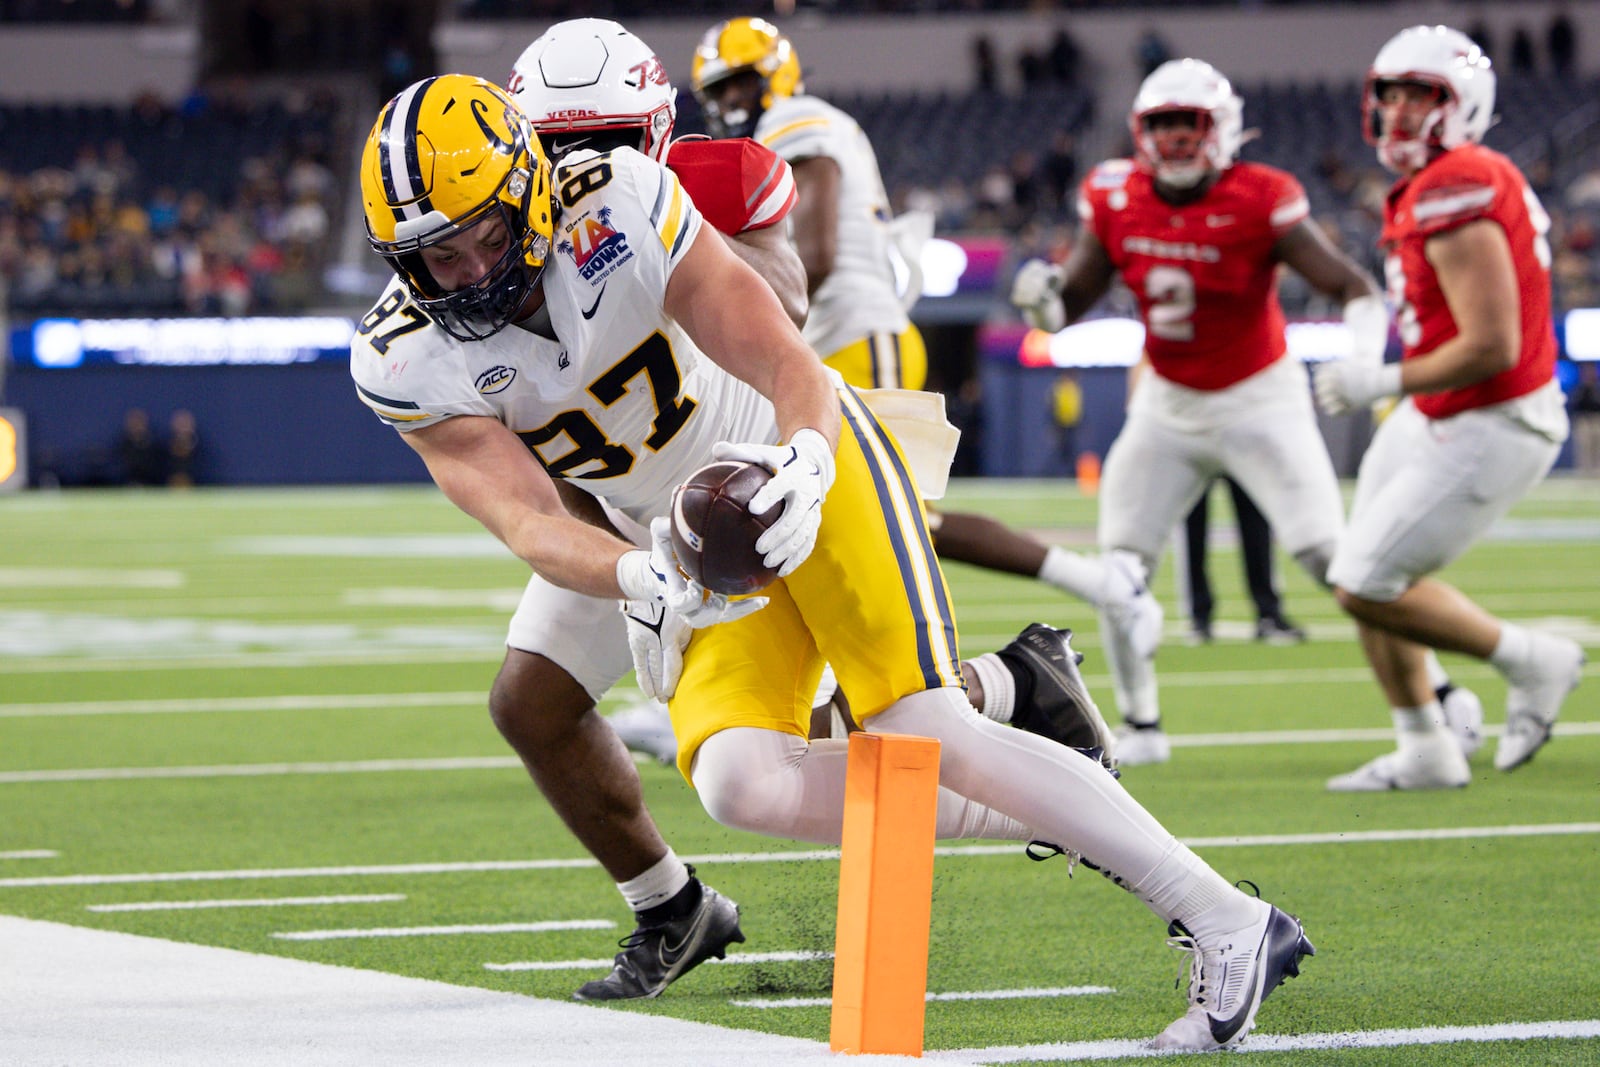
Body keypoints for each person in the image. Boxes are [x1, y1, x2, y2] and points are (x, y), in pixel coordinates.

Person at [355, 70, 1313, 1051]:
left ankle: (1228, 919)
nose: (471, 270)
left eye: (483, 231)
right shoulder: (401, 355)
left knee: (922, 719)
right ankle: (1064, 786)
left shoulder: (621, 202)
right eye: (435, 255)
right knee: (740, 780)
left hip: (796, 458)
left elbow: (780, 355)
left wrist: (810, 458)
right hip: (691, 543)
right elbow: (524, 519)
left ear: (530, 188)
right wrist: (637, 575)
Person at [507, 19, 1116, 775]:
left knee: (880, 575)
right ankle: (996, 679)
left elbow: (802, 281)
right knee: (790, 621)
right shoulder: (508, 242)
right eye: (719, 89)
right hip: (730, 414)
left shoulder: (775, 138)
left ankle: (1029, 654)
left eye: (743, 83)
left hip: (833, 352)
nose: (585, 166)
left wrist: (668, 240)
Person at [1010, 58, 1483, 765]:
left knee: (1337, 559)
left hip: (1259, 397)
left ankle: (1441, 691)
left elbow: (1352, 286)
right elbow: (1072, 299)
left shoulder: (1263, 196)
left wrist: (1360, 359)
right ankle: (1140, 725)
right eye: (1160, 124)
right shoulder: (1113, 194)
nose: (1172, 139)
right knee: (1118, 566)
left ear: (1222, 129)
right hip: (1169, 403)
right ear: (1140, 132)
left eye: (1187, 123)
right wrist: (1042, 302)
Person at [689, 15, 1162, 675]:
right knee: (802, 521)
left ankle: (1095, 591)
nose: (733, 103)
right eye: (723, 91)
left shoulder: (795, 119)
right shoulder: (783, 128)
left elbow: (816, 256)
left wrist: (750, 336)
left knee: (898, 522)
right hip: (830, 345)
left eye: (743, 84)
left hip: (852, 333)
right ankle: (752, 692)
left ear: (778, 75)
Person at [1311, 25, 1585, 790]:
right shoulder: (1443, 178)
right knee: (1360, 567)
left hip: (1494, 416)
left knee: (1366, 581)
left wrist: (1381, 380)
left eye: (1420, 95)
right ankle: (1426, 746)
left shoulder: (1456, 181)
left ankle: (1534, 660)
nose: (1399, 111)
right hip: (1443, 411)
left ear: (1460, 103)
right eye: (1390, 94)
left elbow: (1494, 343)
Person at [1178, 476, 1305, 645]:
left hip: (1243, 449)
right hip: (1197, 450)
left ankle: (1268, 614)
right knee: (1193, 521)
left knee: (1255, 519)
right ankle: (1198, 617)